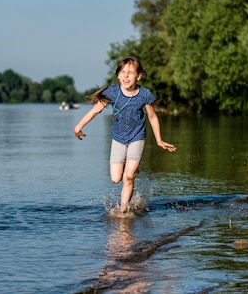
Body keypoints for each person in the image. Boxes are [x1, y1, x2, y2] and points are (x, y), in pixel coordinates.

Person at [74, 57, 176, 213]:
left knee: (128, 178)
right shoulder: (113, 92)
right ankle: (133, 169)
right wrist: (78, 126)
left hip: (137, 137)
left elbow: (152, 117)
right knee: (116, 179)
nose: (126, 76)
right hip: (118, 139)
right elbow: (96, 110)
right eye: (123, 72)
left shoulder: (144, 94)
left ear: (138, 76)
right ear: (118, 75)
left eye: (130, 73)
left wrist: (159, 140)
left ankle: (123, 211)